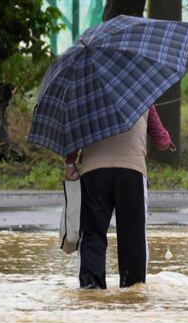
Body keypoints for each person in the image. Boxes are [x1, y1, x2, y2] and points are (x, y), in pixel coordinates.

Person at [66, 105, 172, 289]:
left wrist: (70, 164)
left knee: (92, 233)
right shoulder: (143, 95)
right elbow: (162, 141)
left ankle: (92, 288)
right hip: (132, 172)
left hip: (94, 173)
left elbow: (73, 139)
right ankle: (133, 289)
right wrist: (167, 139)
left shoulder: (86, 97)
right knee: (134, 234)